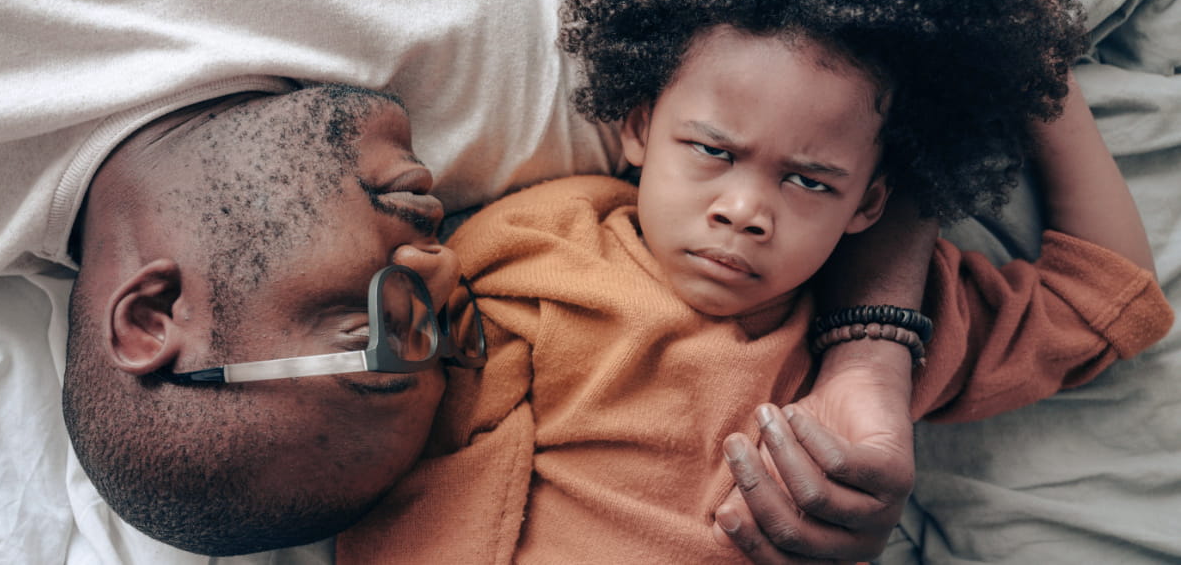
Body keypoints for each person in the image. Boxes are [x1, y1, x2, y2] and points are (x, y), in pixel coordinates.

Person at [330, 0, 1174, 562]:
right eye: (712, 151)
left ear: (869, 204)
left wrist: (1043, 73)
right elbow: (420, 415)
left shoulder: (882, 333)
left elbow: (1104, 297)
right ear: (637, 127)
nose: (745, 211)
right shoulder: (539, 241)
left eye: (809, 180)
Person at [59, 81, 939, 558]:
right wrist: (872, 353)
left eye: (371, 335)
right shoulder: (569, 105)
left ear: (154, 315)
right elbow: (868, 100)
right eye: (446, 332)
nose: (442, 266)